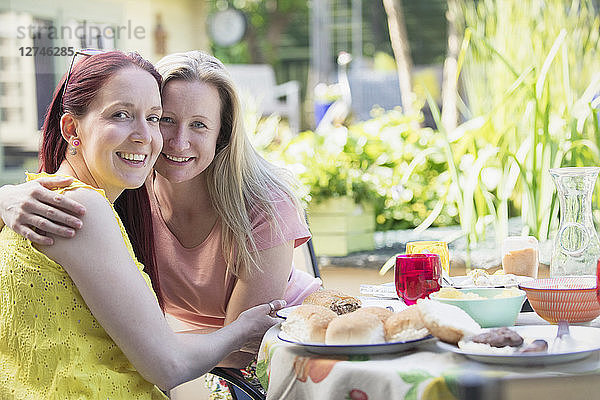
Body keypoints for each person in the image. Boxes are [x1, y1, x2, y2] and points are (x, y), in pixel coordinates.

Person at [0, 50, 321, 393]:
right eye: (165, 119)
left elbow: (240, 350)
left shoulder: (262, 203)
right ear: (70, 128)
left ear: (221, 135)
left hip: (285, 345)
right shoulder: (112, 195)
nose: (172, 140)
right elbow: (166, 360)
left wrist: (149, 341)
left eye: (152, 118)